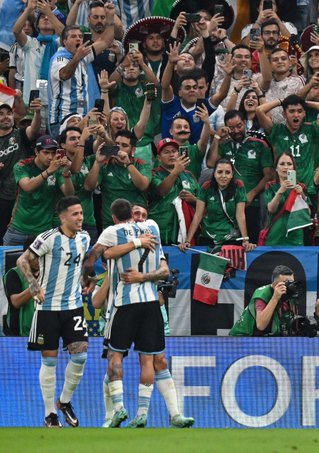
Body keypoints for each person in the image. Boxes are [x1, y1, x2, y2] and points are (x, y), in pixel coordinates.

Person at [82, 198, 194, 428]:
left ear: (113, 217)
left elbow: (96, 256)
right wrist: (137, 242)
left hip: (127, 306)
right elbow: (109, 256)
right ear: (131, 216)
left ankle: (130, 411)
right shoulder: (152, 228)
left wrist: (87, 276)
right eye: (136, 213)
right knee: (141, 360)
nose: (140, 218)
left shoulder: (113, 233)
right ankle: (115, 415)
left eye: (143, 214)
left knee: (123, 359)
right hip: (140, 305)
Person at [16, 196, 90, 428]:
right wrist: (33, 284)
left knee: (80, 356)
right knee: (50, 362)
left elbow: (80, 266)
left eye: (81, 213)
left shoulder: (85, 238)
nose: (80, 218)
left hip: (74, 306)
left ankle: (65, 401)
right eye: (75, 214)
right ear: (63, 217)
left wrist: (88, 279)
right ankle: (50, 414)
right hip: (48, 309)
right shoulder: (48, 238)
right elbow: (22, 260)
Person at [207, 110, 274, 240]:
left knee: (251, 242)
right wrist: (216, 138)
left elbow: (269, 175)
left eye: (239, 126)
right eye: (231, 128)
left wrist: (252, 193)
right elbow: (210, 163)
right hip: (228, 205)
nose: (236, 130)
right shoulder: (224, 144)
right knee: (230, 246)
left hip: (252, 204)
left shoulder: (259, 144)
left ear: (244, 123)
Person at [3, 135, 75, 247]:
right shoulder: (22, 165)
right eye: (46, 152)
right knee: (8, 265)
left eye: (53, 153)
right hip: (18, 230)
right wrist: (49, 172)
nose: (51, 157)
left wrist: (66, 173)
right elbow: (27, 187)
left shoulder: (58, 169)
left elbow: (69, 194)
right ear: (37, 152)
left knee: (41, 265)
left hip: (44, 232)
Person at [180, 159, 254, 252]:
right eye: (219, 172)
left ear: (232, 175)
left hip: (231, 239)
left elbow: (240, 215)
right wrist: (187, 240)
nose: (223, 176)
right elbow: (198, 215)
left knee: (229, 266)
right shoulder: (206, 187)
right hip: (208, 238)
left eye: (227, 172)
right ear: (214, 174)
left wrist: (245, 240)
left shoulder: (238, 186)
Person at [83, 130, 151, 229]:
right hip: (110, 224)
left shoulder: (141, 164)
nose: (119, 148)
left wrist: (128, 164)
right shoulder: (105, 164)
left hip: (137, 223)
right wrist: (97, 163)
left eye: (124, 145)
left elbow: (143, 186)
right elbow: (88, 187)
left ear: (133, 150)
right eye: (117, 144)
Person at [0, 98, 42, 239]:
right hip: (2, 197)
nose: (6, 116)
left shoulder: (20, 135)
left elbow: (34, 129)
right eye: (1, 114)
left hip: (22, 196)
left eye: (9, 113)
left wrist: (37, 113)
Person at [148, 138, 201, 245]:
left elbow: (204, 204)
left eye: (174, 151)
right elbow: (162, 191)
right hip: (162, 232)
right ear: (158, 157)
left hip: (187, 233)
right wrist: (175, 172)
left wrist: (194, 200)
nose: (171, 155)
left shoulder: (189, 175)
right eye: (166, 152)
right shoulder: (153, 174)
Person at [230, 265, 299, 336]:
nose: (289, 286)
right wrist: (275, 298)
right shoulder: (263, 294)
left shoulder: (290, 295)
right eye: (286, 283)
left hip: (268, 338)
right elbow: (260, 325)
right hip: (242, 337)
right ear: (274, 284)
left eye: (291, 282)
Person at [262, 152, 311, 246]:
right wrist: (281, 191)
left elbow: (308, 213)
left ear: (293, 168)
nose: (286, 167)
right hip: (275, 235)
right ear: (276, 168)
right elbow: (271, 209)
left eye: (289, 164)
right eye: (282, 164)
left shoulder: (301, 187)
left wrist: (302, 194)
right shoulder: (270, 186)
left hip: (295, 236)